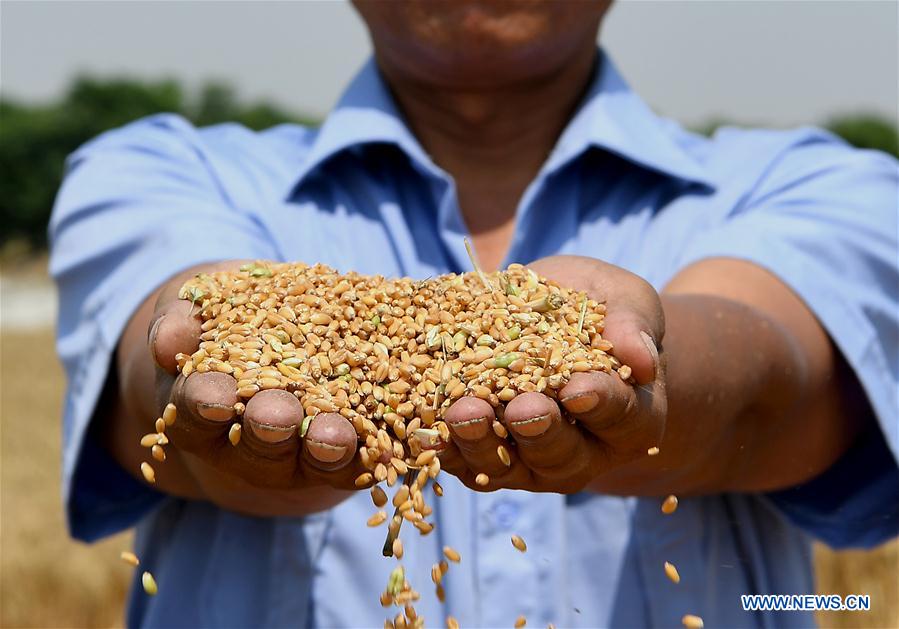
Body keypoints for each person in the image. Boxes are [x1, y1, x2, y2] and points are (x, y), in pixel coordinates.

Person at [51, 1, 898, 627]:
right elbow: (155, 389)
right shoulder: (161, 171)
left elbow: (772, 385)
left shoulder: (816, 184)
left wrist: (642, 362)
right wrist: (223, 354)